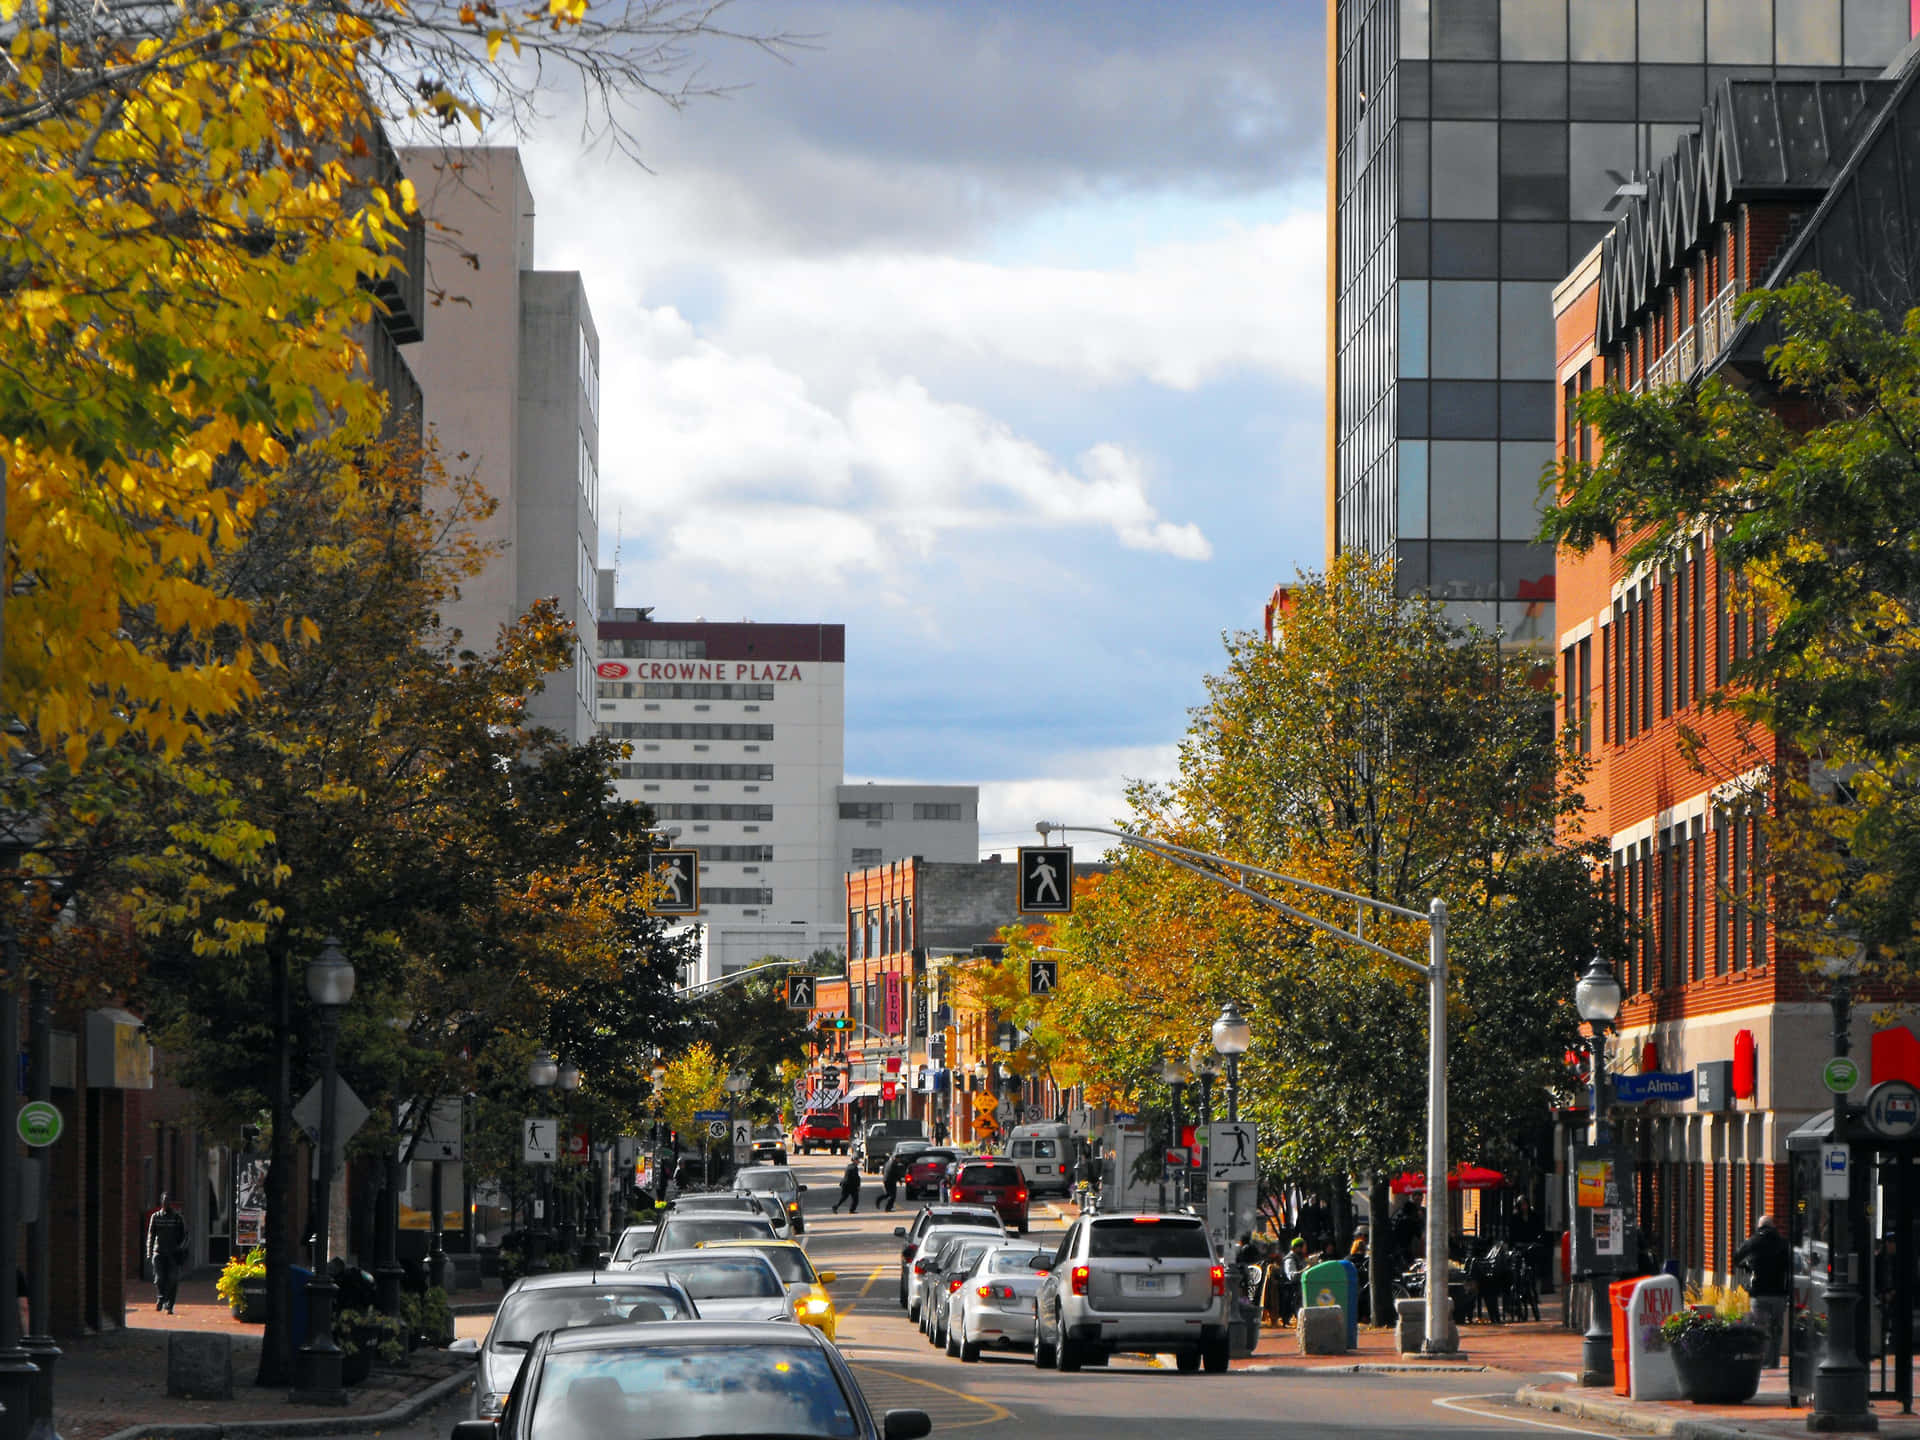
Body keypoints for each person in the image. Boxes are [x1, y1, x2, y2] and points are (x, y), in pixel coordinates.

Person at [1734, 1214, 1791, 1367]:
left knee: (1760, 1328)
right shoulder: (1783, 1243)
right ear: (1773, 1227)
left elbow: (1736, 1258)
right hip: (1779, 1292)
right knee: (1777, 1328)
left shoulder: (1752, 1242)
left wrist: (1748, 1267)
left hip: (1759, 1292)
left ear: (1759, 1227)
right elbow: (1790, 1265)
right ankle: (1775, 1361)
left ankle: (1763, 1360)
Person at [146, 1193, 189, 1313]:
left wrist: (180, 1248)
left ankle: (169, 1304)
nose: (166, 1203)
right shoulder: (155, 1217)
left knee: (172, 1279)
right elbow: (151, 1235)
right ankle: (161, 1297)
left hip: (173, 1253)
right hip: (158, 1252)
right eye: (164, 1201)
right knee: (159, 1278)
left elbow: (185, 1235)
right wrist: (149, 1251)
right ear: (161, 1202)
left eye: (168, 1201)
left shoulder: (177, 1217)